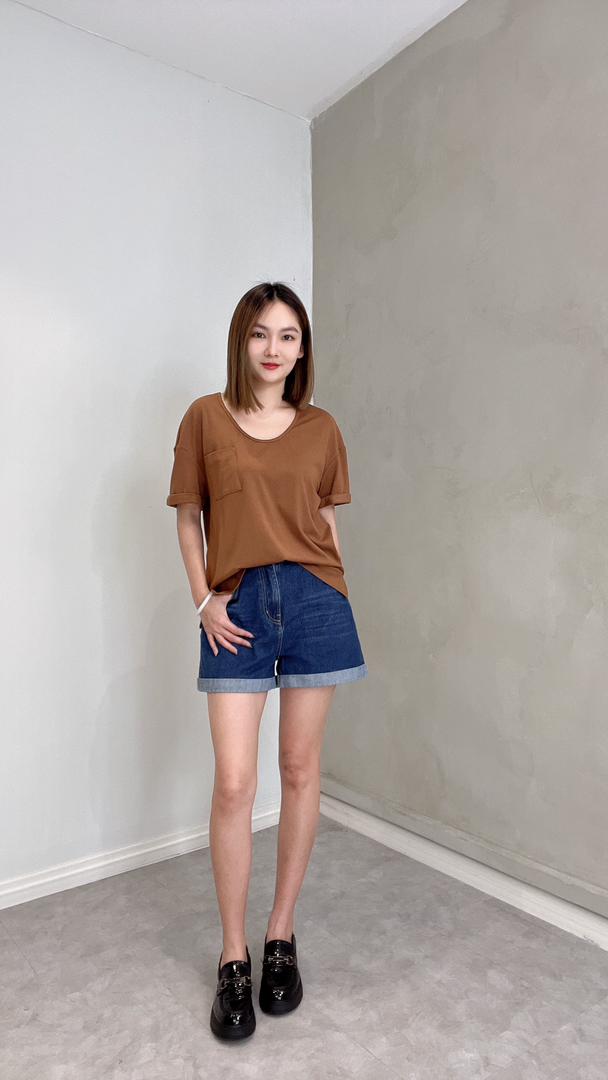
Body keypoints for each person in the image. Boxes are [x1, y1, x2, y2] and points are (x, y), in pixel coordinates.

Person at [166, 281, 367, 1040]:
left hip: (316, 600)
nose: (273, 348)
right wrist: (203, 601)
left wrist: (339, 597)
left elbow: (325, 521)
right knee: (234, 783)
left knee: (300, 769)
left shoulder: (321, 428)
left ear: (302, 348)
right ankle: (233, 956)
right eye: (260, 333)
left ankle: (281, 936)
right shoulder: (205, 417)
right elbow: (190, 517)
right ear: (240, 341)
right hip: (238, 607)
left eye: (287, 335)